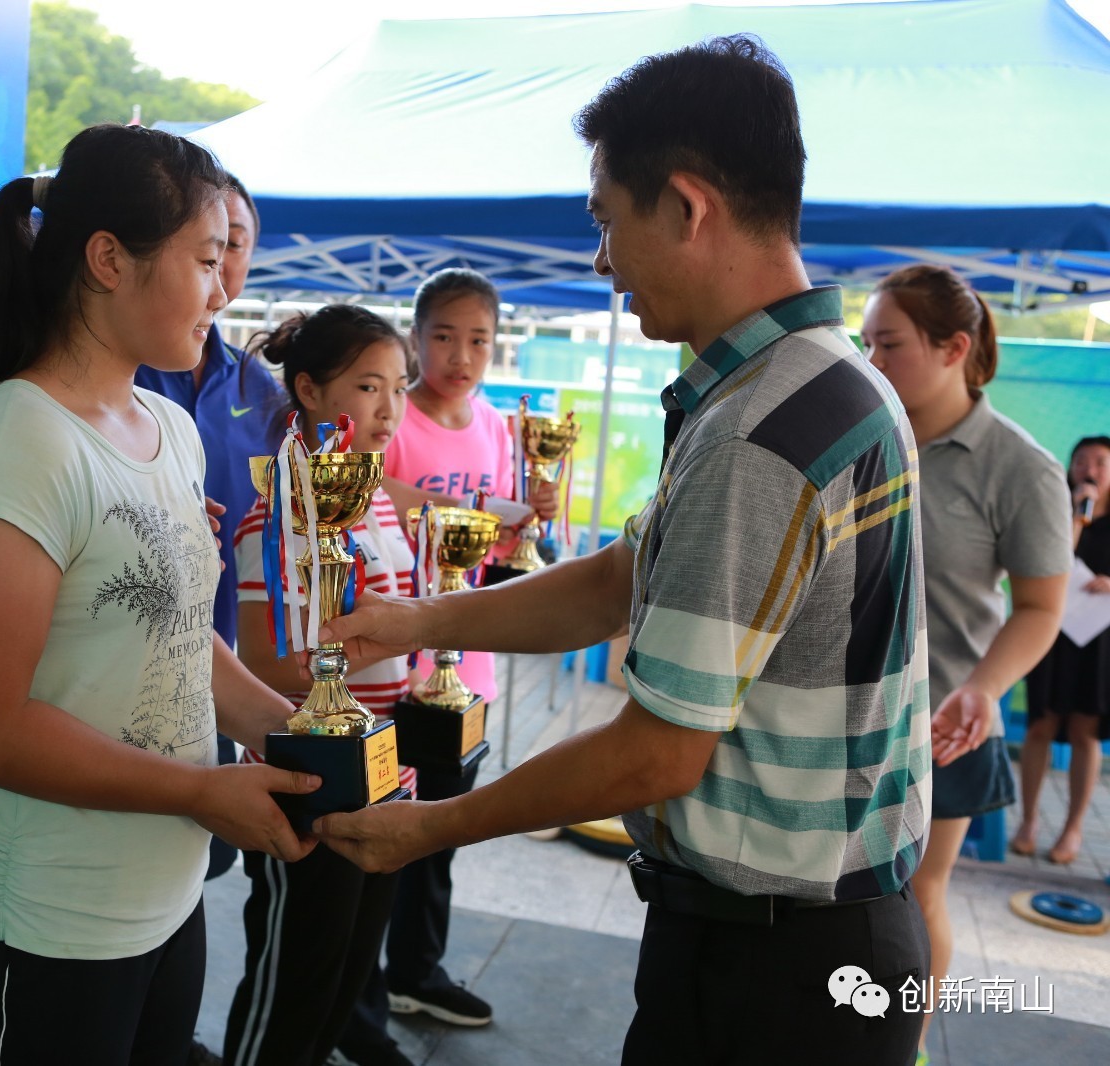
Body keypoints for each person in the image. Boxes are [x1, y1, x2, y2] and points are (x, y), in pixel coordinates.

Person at [312, 37, 967, 1066]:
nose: (599, 260)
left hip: (773, 973)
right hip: (805, 940)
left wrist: (429, 827)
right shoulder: (813, 382)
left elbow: (659, 750)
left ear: (686, 206)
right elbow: (624, 578)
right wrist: (419, 620)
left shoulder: (761, 432)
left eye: (606, 220)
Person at [0, 124, 320, 1066]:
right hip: (42, 925)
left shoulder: (169, 428)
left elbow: (177, 636)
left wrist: (297, 736)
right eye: (207, 258)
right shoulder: (22, 436)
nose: (227, 291)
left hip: (164, 902)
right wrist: (198, 788)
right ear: (107, 260)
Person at [340, 268, 556, 1053]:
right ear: (416, 336)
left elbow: (501, 544)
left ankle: (416, 970)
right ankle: (355, 1001)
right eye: (443, 336)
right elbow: (361, 488)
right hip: (388, 668)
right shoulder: (394, 419)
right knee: (378, 839)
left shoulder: (498, 427)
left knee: (438, 834)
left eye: (479, 339)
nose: (461, 355)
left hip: (466, 672)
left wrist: (527, 520)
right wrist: (475, 511)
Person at [861, 264, 1070, 1066]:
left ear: (954, 348)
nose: (871, 362)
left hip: (943, 723)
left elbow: (1041, 609)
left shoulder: (1019, 467)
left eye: (891, 345)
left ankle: (904, 1046)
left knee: (918, 895)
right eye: (866, 342)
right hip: (841, 716)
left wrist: (985, 689)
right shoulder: (862, 437)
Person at [223, 304, 419, 1066]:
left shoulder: (376, 500)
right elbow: (260, 663)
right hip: (309, 780)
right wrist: (352, 650)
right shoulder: (275, 516)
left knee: (341, 983)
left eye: (399, 388)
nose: (389, 408)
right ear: (307, 389)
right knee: (290, 985)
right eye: (369, 386)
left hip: (387, 774)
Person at [135, 172, 285, 887]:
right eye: (204, 251)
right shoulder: (120, 375)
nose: (220, 273)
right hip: (129, 662)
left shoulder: (264, 391)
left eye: (234, 248)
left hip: (224, 658)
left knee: (198, 865)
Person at [1016, 435, 1110, 865]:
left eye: (1100, 462)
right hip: (1053, 632)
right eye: (1081, 462)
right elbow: (1052, 560)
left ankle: (1072, 829)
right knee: (1041, 724)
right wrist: (1076, 516)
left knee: (1083, 732)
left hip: (1100, 641)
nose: (1089, 469)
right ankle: (1029, 821)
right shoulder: (1059, 510)